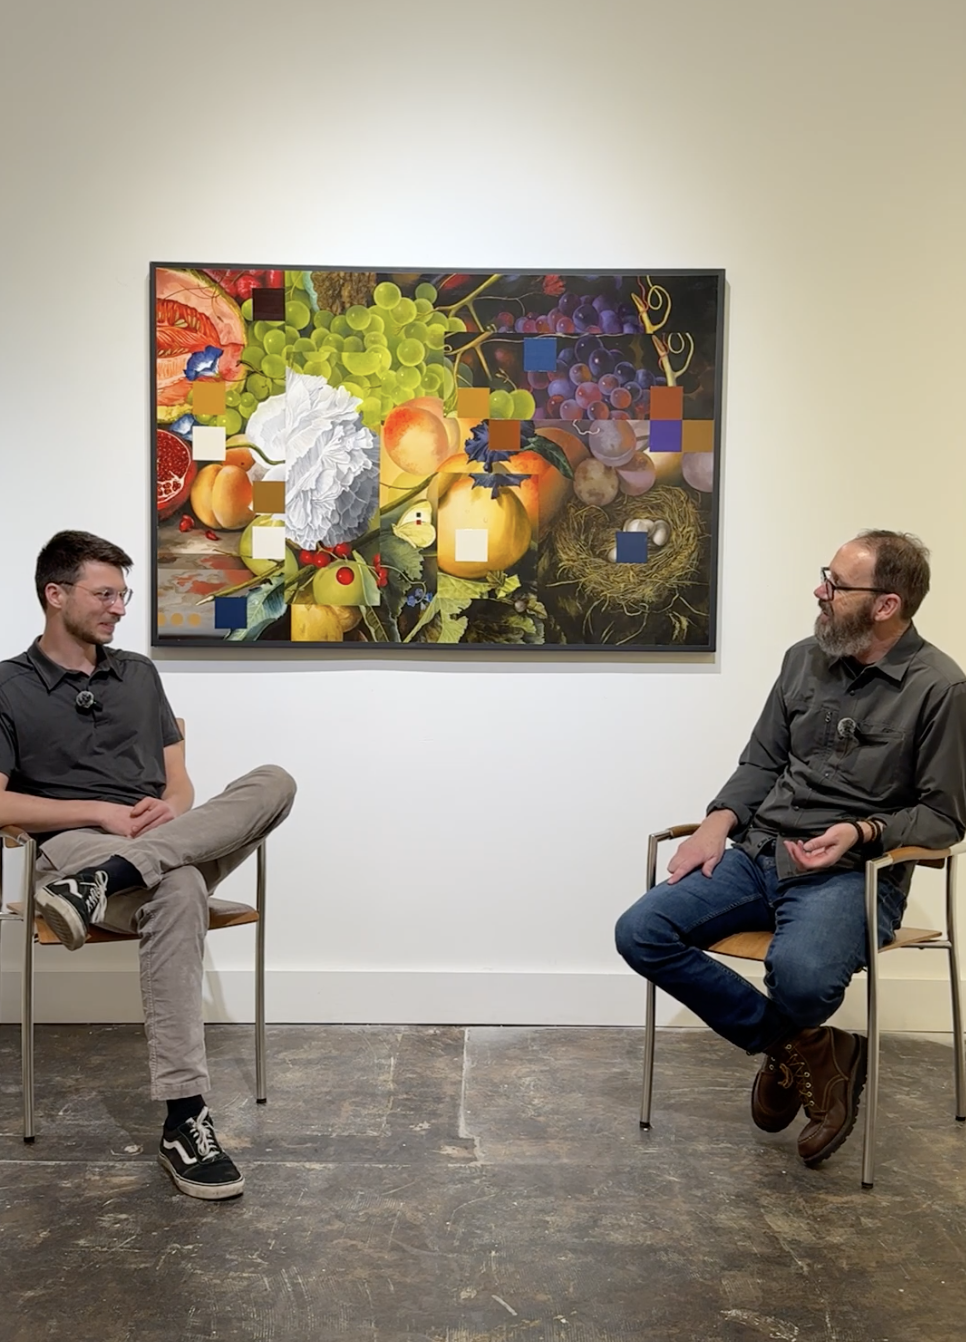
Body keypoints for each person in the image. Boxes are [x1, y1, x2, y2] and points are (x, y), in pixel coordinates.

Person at [616, 531, 966, 1167]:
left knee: (801, 980)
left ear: (886, 605)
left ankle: (796, 1043)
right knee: (641, 932)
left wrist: (862, 832)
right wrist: (718, 821)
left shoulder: (940, 687)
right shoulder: (802, 659)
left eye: (835, 583)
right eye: (824, 576)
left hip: (853, 874)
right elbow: (761, 762)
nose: (818, 591)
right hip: (760, 854)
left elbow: (944, 818)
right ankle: (806, 1050)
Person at [0, 531, 297, 1200]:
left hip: (154, 841)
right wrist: (100, 814)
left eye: (123, 594)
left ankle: (106, 883)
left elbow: (179, 783)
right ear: (56, 594)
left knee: (275, 781)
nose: (120, 608)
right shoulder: (7, 686)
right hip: (74, 844)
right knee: (181, 886)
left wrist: (170, 810)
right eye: (105, 594)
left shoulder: (139, 674)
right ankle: (185, 1118)